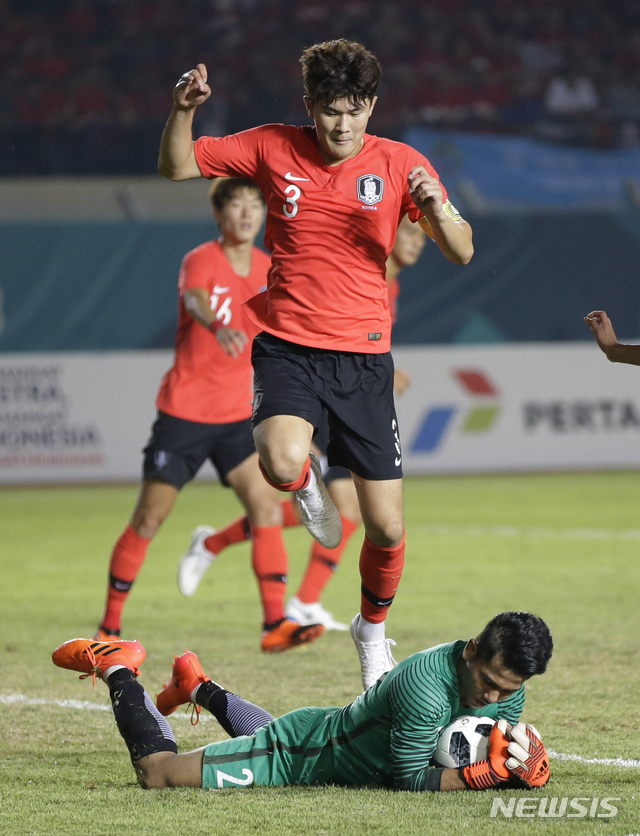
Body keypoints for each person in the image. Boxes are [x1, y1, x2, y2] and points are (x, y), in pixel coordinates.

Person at [158, 39, 474, 688]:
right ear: (310, 106)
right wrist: (182, 111)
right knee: (277, 460)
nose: (341, 124)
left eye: (354, 110)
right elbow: (178, 166)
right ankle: (304, 480)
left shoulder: (401, 163)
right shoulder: (274, 145)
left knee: (385, 530)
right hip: (290, 349)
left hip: (364, 365)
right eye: (330, 110)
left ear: (372, 108)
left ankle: (371, 630)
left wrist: (437, 207)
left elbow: (463, 251)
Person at [94, 177, 324, 654]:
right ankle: (108, 630)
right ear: (219, 216)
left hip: (241, 416)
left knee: (264, 507)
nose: (245, 214)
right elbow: (195, 298)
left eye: (254, 205)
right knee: (148, 519)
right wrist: (218, 325)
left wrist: (299, 421)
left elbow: (287, 336)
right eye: (235, 205)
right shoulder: (201, 259)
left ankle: (274, 624)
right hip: (185, 413)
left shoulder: (268, 268)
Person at [178, 215, 428, 631]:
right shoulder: (364, 266)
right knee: (327, 496)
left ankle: (254, 569)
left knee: (345, 510)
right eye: (410, 232)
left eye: (422, 236)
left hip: (355, 390)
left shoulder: (392, 282)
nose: (417, 242)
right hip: (321, 389)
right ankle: (297, 598)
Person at [52, 610, 552, 793]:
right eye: (488, 682)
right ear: (470, 652)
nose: (493, 697)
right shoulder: (427, 686)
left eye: (506, 690)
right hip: (304, 754)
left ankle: (196, 685)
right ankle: (117, 662)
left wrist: (521, 758)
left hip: (324, 740)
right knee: (158, 773)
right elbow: (408, 779)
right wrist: (482, 777)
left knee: (267, 740)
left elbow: (497, 737)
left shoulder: (509, 684)